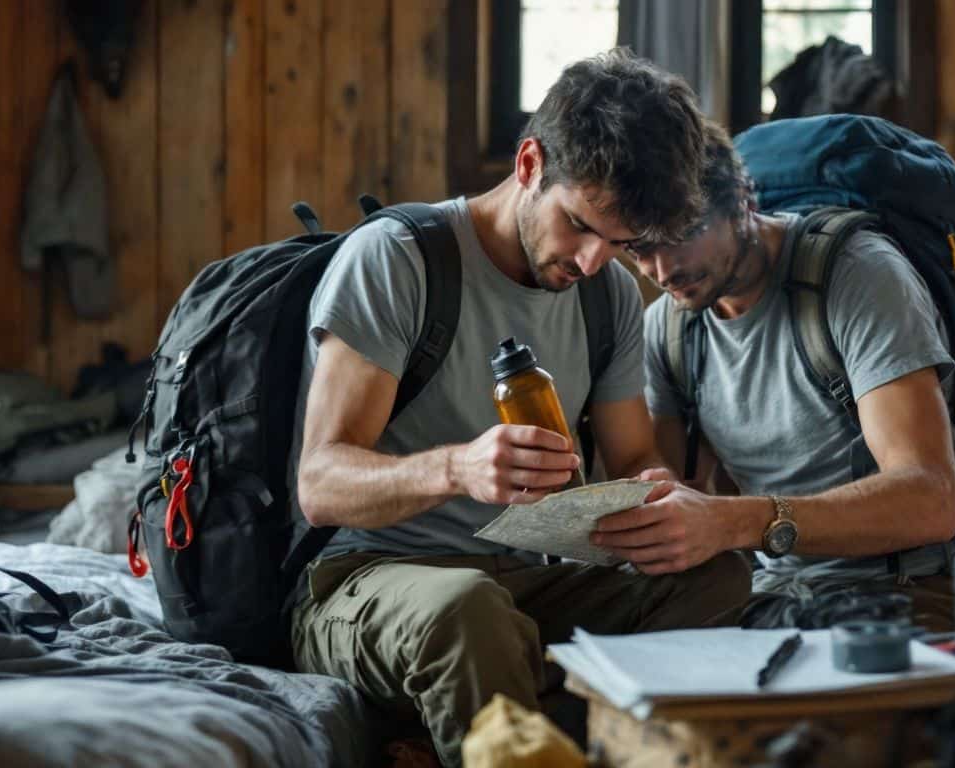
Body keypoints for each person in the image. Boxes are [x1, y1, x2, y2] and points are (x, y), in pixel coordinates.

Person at [287, 51, 751, 767]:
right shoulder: (396, 260)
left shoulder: (607, 295)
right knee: (469, 611)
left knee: (714, 576)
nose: (595, 260)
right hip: (370, 576)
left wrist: (665, 503)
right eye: (581, 226)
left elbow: (634, 459)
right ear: (530, 163)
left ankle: (485, 738)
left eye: (622, 244)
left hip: (527, 578)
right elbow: (320, 485)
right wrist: (457, 469)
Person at [603, 123, 955, 630]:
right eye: (637, 250)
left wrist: (731, 522)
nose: (661, 271)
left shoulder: (858, 275)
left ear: (741, 201)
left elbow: (930, 500)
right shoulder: (670, 327)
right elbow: (679, 488)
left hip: (900, 591)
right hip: (766, 594)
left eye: (679, 236)